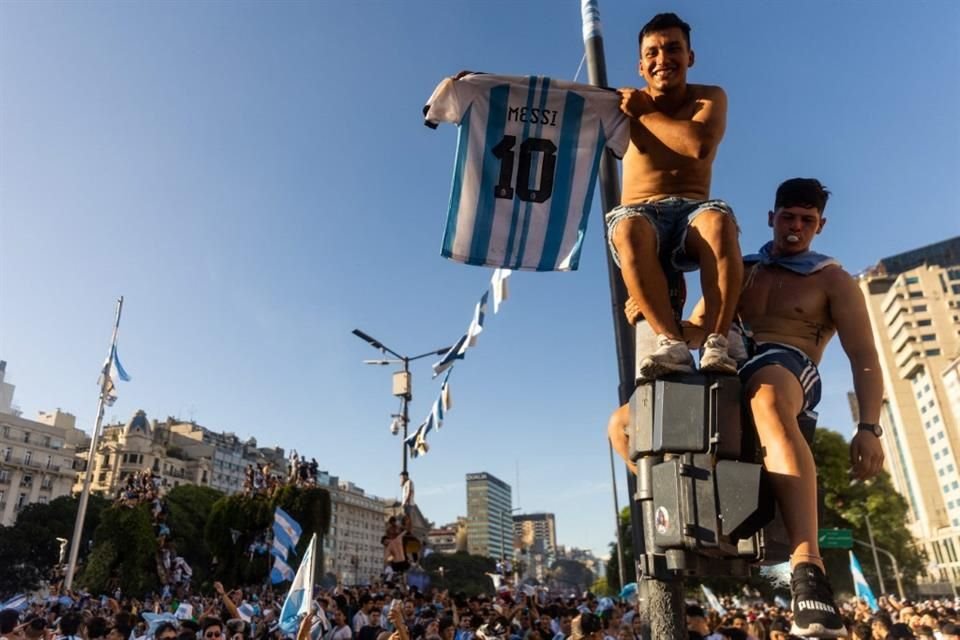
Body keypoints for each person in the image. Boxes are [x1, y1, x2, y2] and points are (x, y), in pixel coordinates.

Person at [685, 178, 885, 637]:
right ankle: (705, 529)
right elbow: (696, 328)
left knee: (769, 390)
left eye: (807, 220)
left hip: (789, 370)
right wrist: (655, 314)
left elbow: (864, 356)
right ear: (771, 217)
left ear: (820, 225)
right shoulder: (742, 269)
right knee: (626, 425)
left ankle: (807, 569)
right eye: (788, 217)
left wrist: (869, 427)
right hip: (730, 369)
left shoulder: (832, 279)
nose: (796, 227)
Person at [605, 12, 742, 474]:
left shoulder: (709, 97)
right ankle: (670, 340)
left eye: (672, 49)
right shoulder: (619, 101)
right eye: (652, 53)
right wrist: (478, 85)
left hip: (692, 214)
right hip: (640, 215)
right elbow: (558, 104)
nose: (663, 58)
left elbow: (699, 145)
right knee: (626, 228)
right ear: (640, 65)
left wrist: (644, 112)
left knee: (720, 221)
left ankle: (718, 341)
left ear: (690, 56)